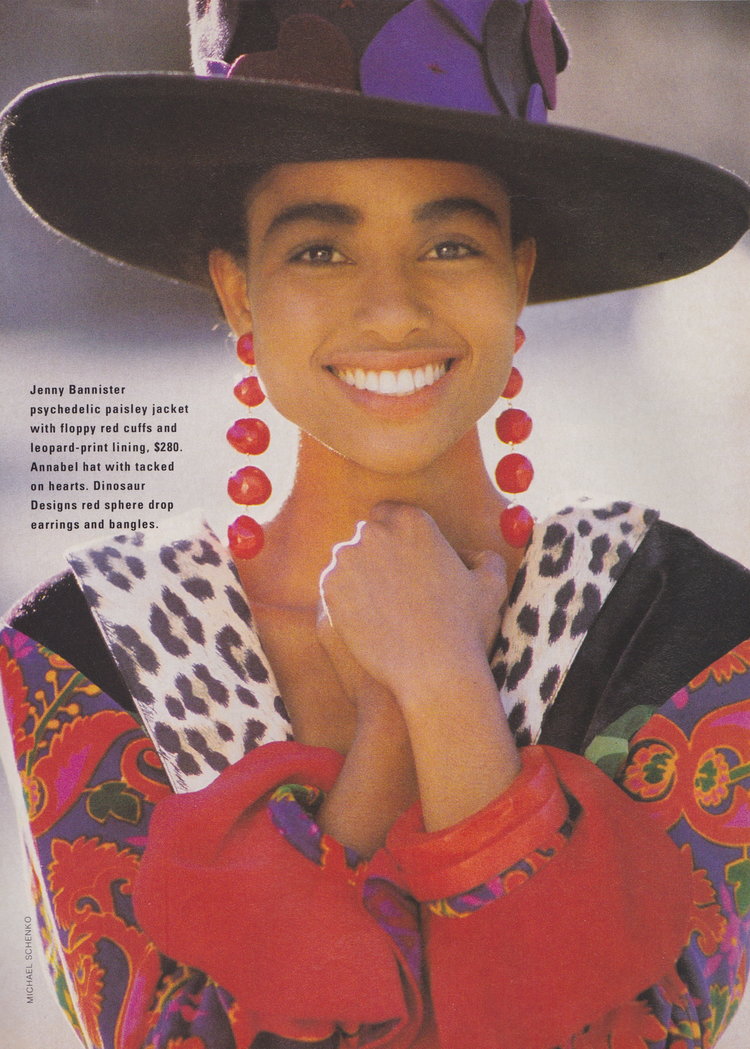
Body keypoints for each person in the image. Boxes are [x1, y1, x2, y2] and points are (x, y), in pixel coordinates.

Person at [1, 2, 749, 1048]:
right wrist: (396, 724)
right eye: (319, 250)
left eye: (449, 242)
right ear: (239, 290)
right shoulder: (93, 644)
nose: (392, 307)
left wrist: (444, 688)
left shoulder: (688, 622)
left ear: (518, 277)